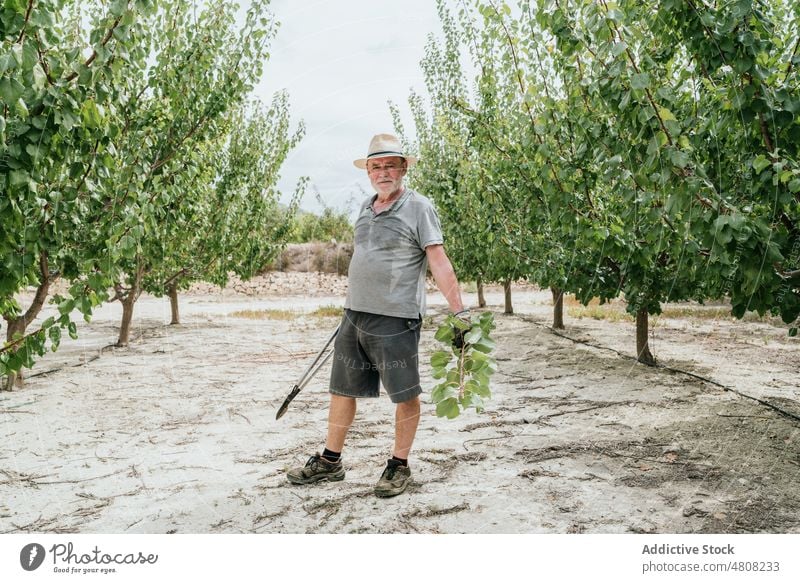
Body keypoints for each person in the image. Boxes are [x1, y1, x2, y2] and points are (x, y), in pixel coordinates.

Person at [286, 133, 467, 497]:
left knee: (404, 394)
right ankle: (330, 461)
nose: (383, 172)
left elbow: (438, 261)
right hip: (354, 317)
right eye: (376, 166)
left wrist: (460, 313)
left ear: (403, 169)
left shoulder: (419, 207)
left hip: (396, 319)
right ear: (368, 172)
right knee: (341, 390)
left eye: (390, 165)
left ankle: (398, 466)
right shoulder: (365, 208)